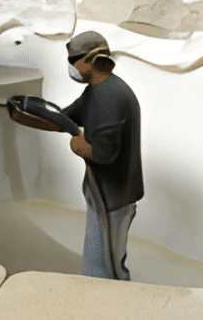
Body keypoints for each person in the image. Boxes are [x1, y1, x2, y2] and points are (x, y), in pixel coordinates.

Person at [62, 31, 143, 280]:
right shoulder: (96, 90)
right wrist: (35, 113)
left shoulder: (111, 97)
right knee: (102, 262)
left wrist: (78, 147)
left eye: (74, 60)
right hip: (103, 194)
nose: (72, 66)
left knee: (104, 268)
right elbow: (68, 115)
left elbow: (104, 154)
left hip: (113, 197)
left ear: (91, 60)